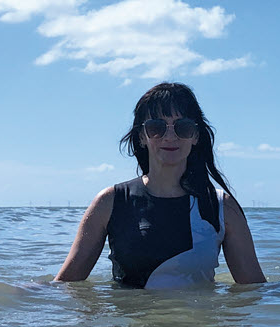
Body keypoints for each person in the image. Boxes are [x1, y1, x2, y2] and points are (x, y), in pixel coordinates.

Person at [56, 82, 265, 288]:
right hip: (133, 321)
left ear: (195, 136)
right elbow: (65, 285)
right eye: (157, 127)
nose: (170, 136)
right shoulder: (111, 202)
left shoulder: (221, 207)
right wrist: (24, 292)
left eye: (183, 127)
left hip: (198, 323)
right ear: (142, 137)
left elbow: (254, 290)